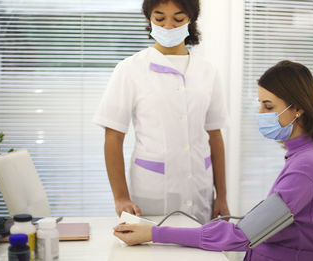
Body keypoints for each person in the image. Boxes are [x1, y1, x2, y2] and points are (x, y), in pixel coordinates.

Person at [113, 61, 313, 261]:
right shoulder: (307, 156)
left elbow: (243, 235)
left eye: (269, 106)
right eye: (260, 104)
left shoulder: (308, 165)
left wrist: (153, 234)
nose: (260, 112)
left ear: (298, 109)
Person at [93, 0, 230, 223]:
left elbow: (215, 136)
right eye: (160, 18)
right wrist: (120, 197)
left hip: (200, 190)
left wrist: (222, 196)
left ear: (190, 20)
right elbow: (113, 137)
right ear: (149, 19)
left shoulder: (208, 72)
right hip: (151, 192)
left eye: (178, 19)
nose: (168, 27)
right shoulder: (130, 69)